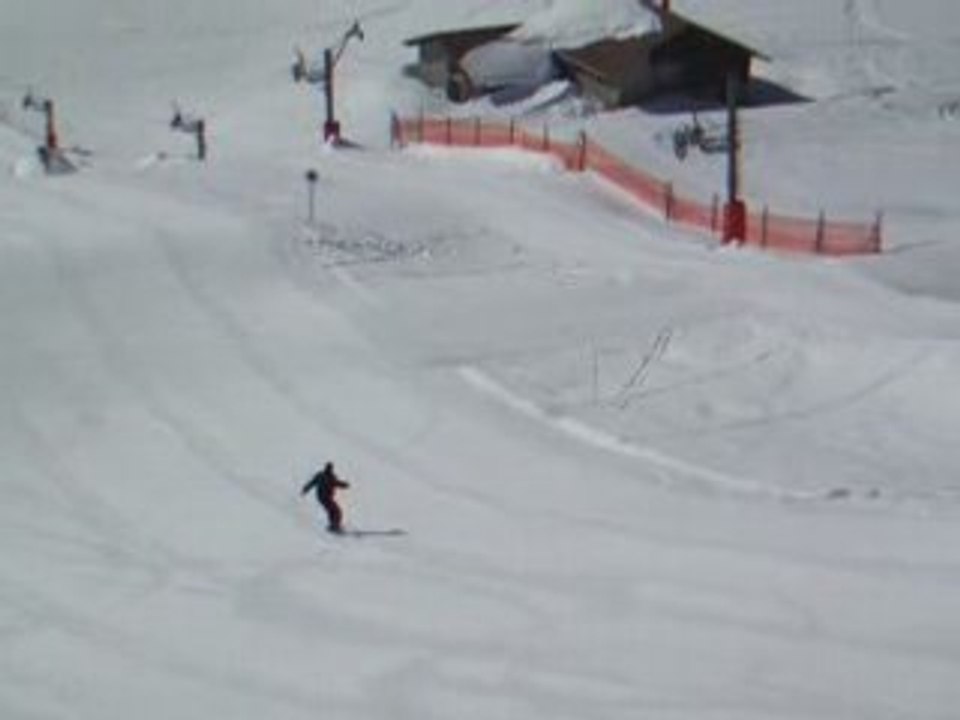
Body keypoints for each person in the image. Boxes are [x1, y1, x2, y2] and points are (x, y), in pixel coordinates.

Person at [301, 462, 351, 533]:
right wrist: (344, 485)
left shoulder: (322, 475)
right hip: (325, 497)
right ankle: (334, 526)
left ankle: (333, 525)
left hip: (322, 497)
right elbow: (337, 483)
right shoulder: (328, 477)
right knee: (336, 511)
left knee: (332, 511)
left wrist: (305, 489)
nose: (329, 470)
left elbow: (312, 483)